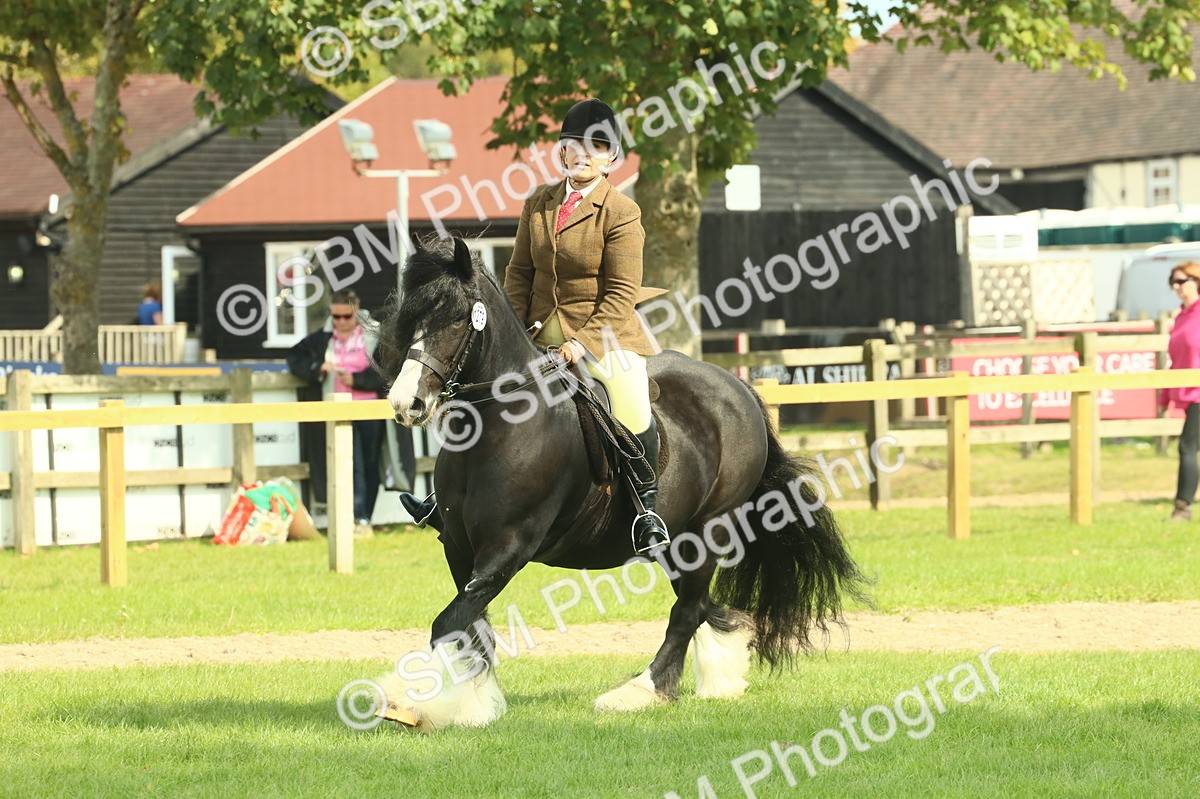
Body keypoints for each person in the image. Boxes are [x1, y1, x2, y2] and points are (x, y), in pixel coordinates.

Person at [500, 99, 669, 554]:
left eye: (597, 146)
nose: (583, 153)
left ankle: (646, 510)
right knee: (485, 385)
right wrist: (513, 329)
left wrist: (580, 345)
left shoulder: (621, 212)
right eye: (573, 144)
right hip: (537, 329)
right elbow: (518, 274)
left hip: (604, 332)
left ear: (612, 157)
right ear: (561, 151)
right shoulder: (538, 203)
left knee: (631, 398)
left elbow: (619, 294)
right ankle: (452, 496)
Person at [287, 290, 392, 537]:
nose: (341, 321)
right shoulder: (323, 338)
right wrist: (318, 368)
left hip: (369, 409)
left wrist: (356, 379)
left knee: (368, 463)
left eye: (347, 316)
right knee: (349, 464)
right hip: (337, 408)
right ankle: (354, 517)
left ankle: (364, 516)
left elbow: (385, 371)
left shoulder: (375, 335)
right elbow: (293, 357)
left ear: (356, 311)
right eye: (336, 316)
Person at [1163, 261, 1200, 521]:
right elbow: (1176, 359)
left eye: (1181, 281)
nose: (1176, 287)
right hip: (1189, 393)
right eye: (1173, 282)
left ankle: (1182, 506)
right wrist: (1166, 395)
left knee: (1187, 447)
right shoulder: (1181, 317)